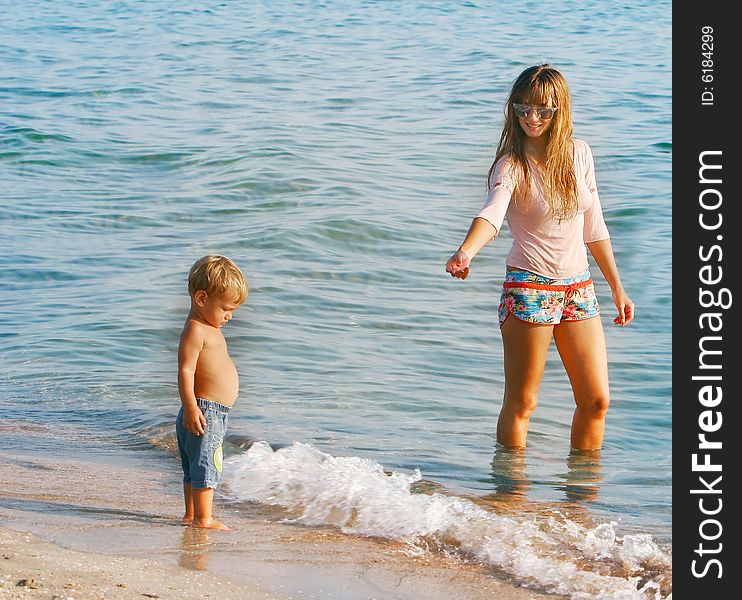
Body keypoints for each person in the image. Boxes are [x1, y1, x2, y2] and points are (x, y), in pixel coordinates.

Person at [446, 64, 634, 451]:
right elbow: (491, 214)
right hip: (529, 287)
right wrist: (466, 252)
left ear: (560, 110)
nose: (533, 118)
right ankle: (509, 500)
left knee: (596, 401)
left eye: (543, 110)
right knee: (523, 402)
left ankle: (581, 503)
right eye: (524, 108)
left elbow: (594, 227)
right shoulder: (511, 165)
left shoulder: (579, 154)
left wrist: (617, 287)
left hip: (579, 288)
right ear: (513, 109)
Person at [176, 255, 248, 529]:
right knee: (207, 464)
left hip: (205, 409)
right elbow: (185, 371)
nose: (229, 316)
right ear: (202, 298)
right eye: (226, 308)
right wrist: (192, 407)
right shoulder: (197, 330)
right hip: (205, 411)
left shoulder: (206, 326)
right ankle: (203, 519)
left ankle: (191, 514)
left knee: (195, 466)